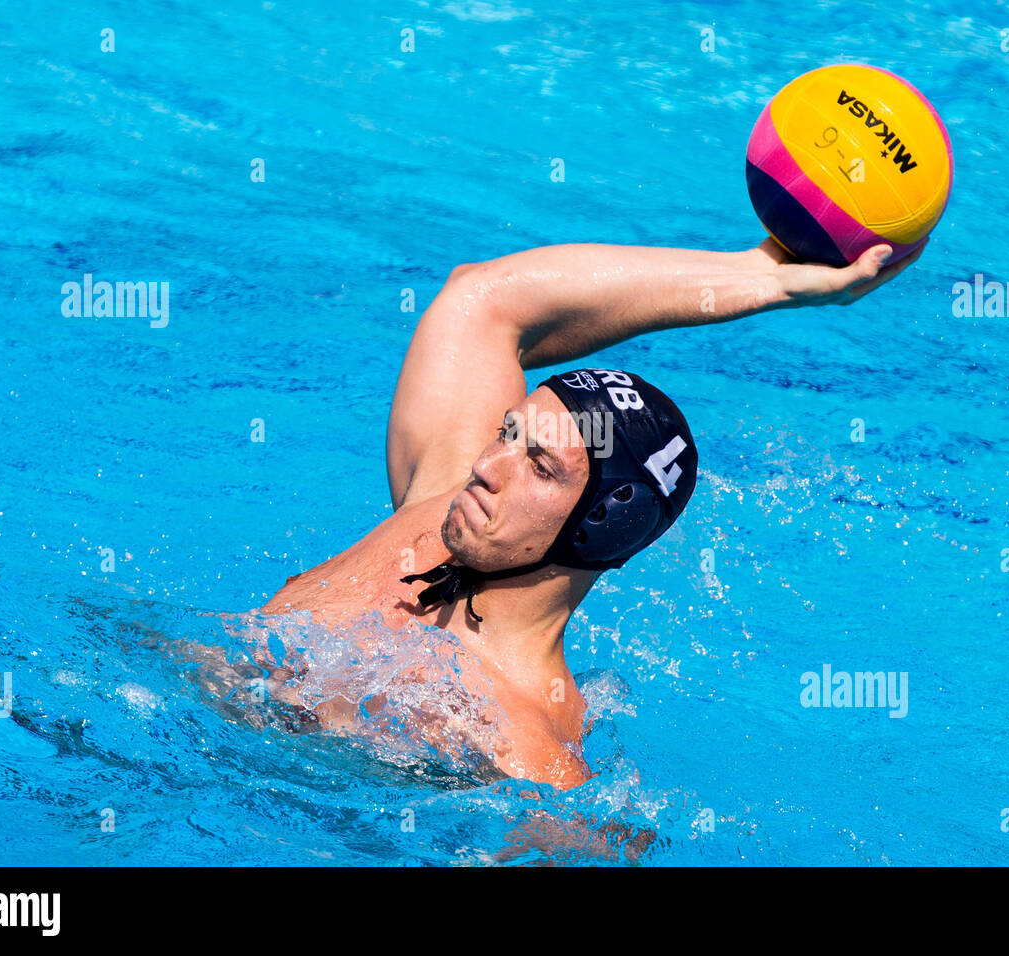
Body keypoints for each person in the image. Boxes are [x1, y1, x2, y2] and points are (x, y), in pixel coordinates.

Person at [258, 236, 924, 789]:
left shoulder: (525, 757)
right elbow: (485, 297)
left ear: (602, 525)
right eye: (508, 433)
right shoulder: (438, 511)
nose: (488, 467)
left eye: (539, 466)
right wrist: (767, 276)